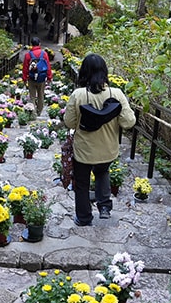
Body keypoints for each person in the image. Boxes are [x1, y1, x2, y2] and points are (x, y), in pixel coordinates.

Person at [62, 53, 135, 226]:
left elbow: (69, 122)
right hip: (108, 149)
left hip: (84, 150)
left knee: (82, 182)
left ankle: (84, 217)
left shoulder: (78, 95)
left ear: (83, 72)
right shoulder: (116, 94)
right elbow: (129, 122)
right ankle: (104, 207)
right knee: (102, 172)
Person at [22, 37, 51, 115]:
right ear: (39, 44)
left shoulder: (28, 55)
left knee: (32, 96)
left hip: (31, 78)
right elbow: (48, 66)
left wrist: (24, 78)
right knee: (41, 95)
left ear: (31, 44)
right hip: (41, 78)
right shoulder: (44, 54)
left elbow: (25, 68)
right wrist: (49, 77)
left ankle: (33, 112)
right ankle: (39, 111)